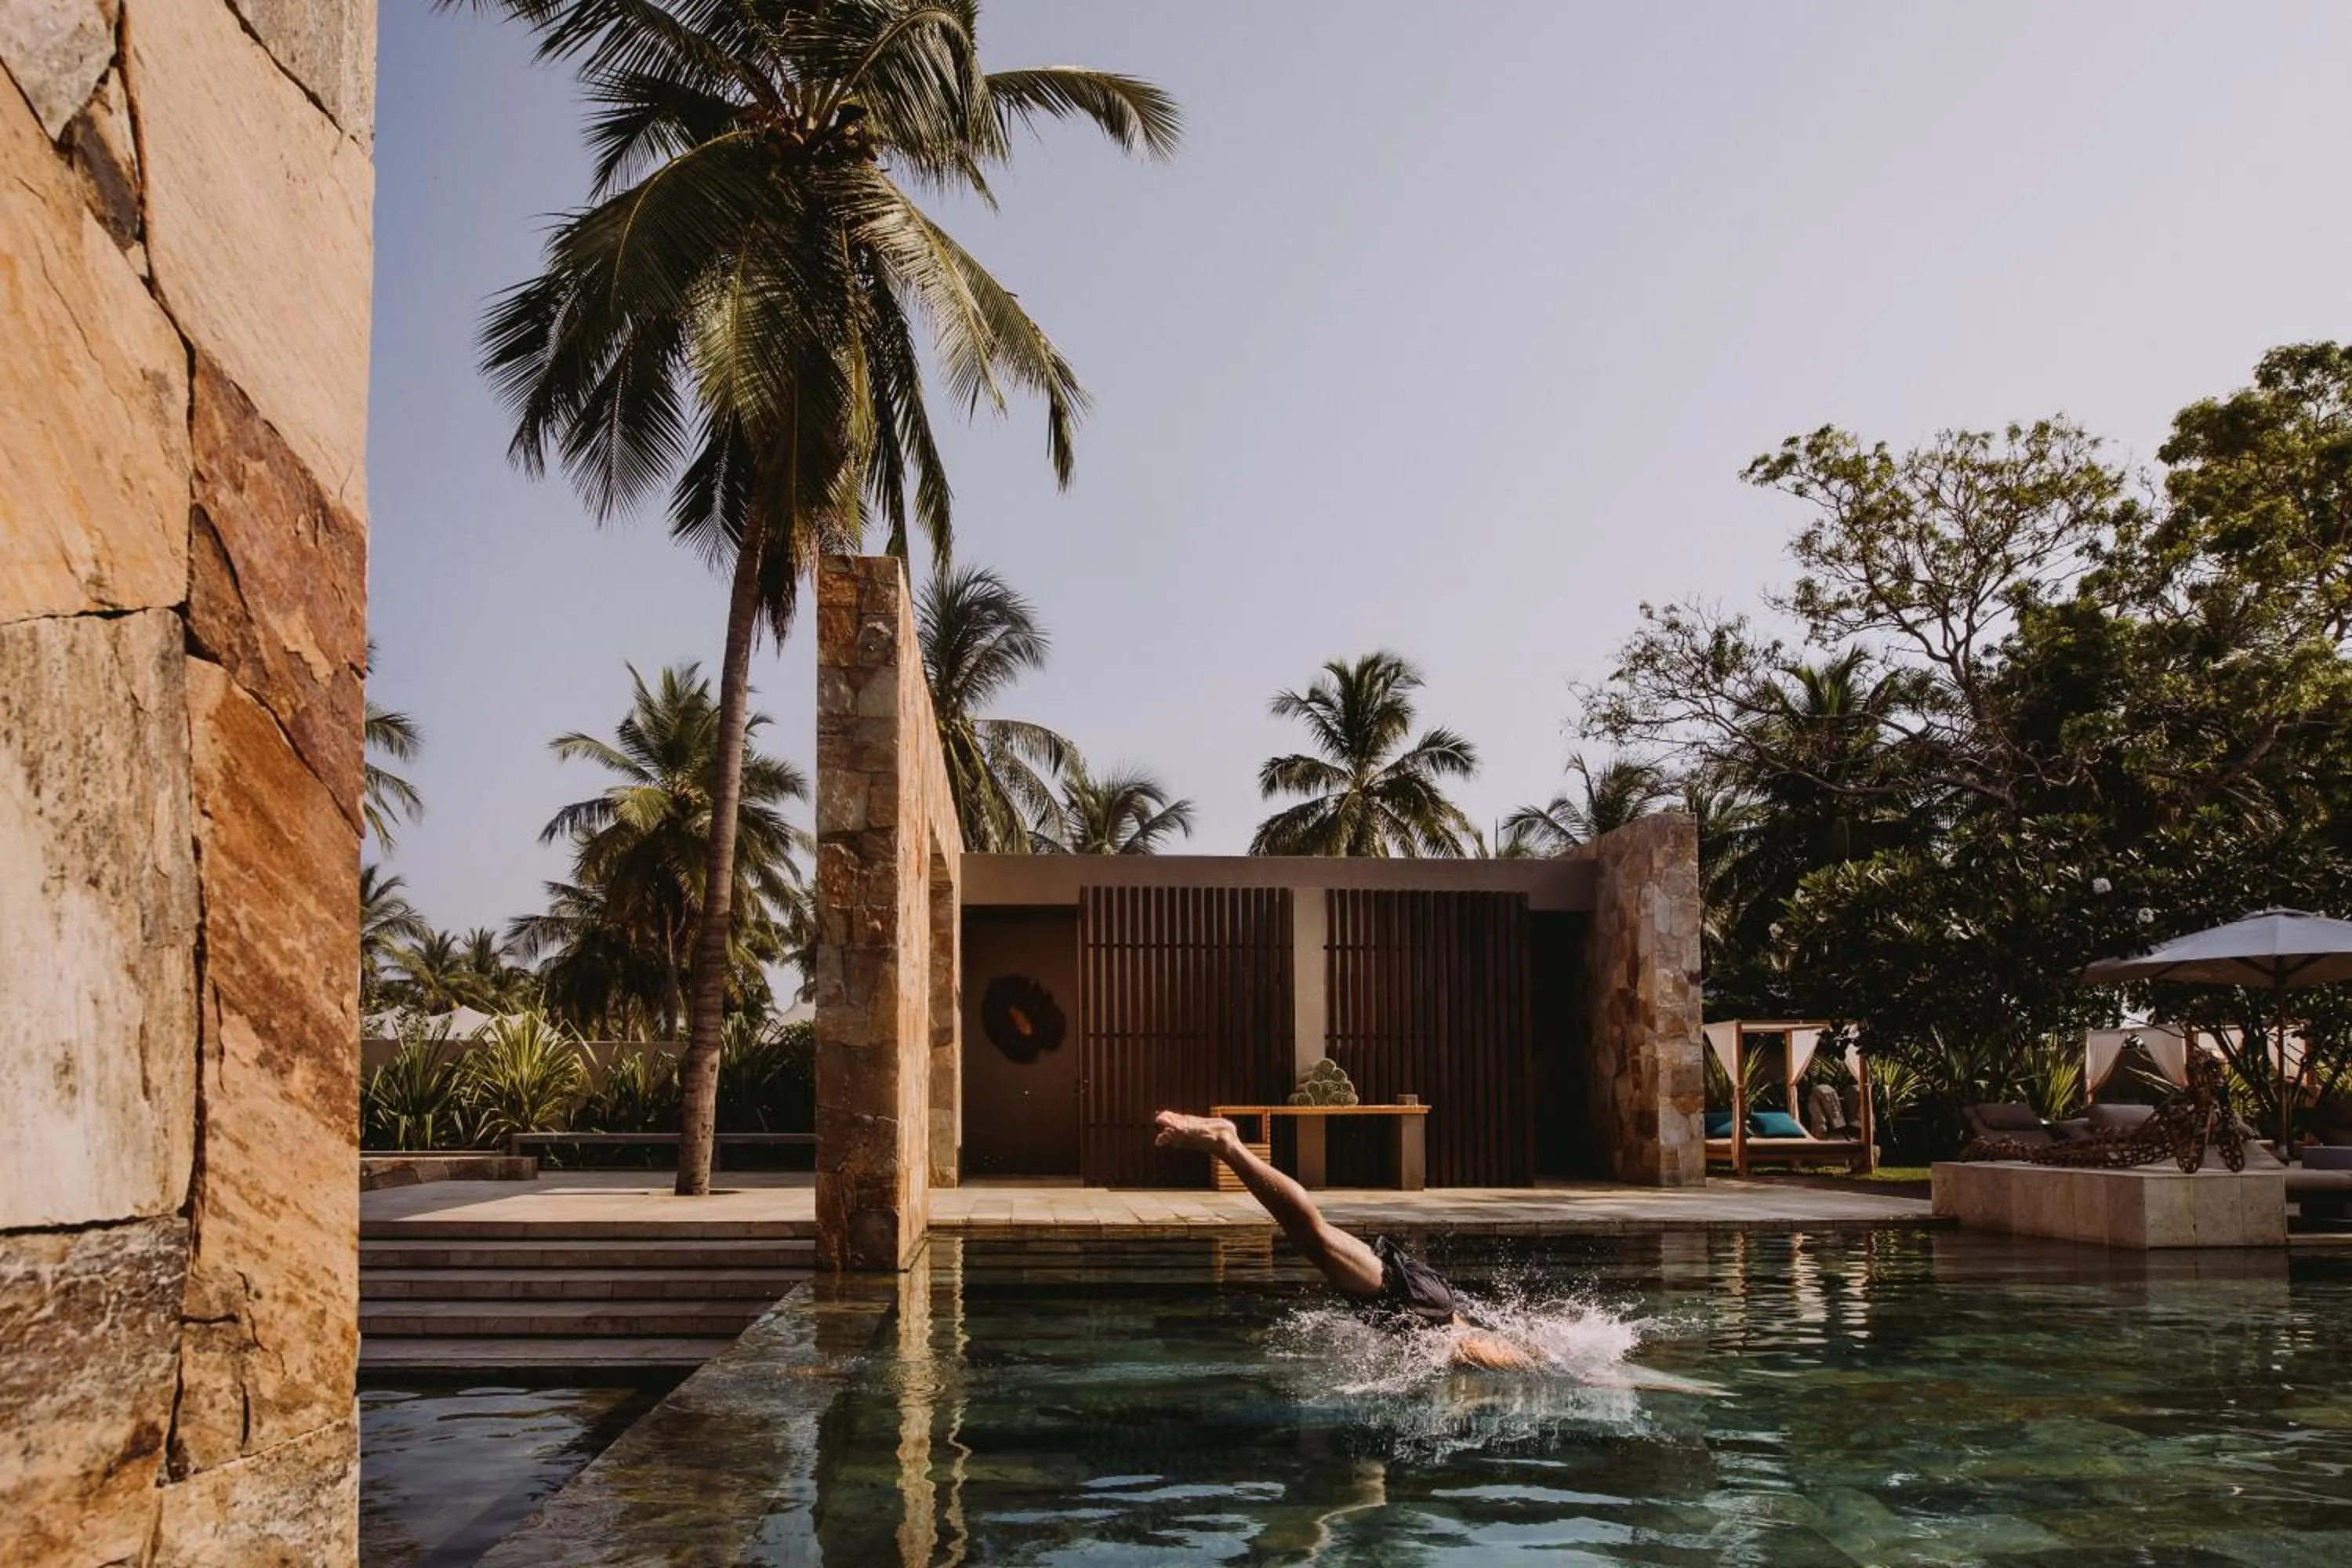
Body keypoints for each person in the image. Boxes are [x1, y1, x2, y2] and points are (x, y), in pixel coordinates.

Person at [1153, 1109, 1536, 1371]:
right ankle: (1228, 1145)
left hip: (1423, 1301)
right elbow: (1469, 1347)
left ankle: (1228, 1146)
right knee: (1313, 1236)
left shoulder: (1487, 1340)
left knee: (1313, 1239)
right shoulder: (1499, 1353)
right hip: (1419, 1302)